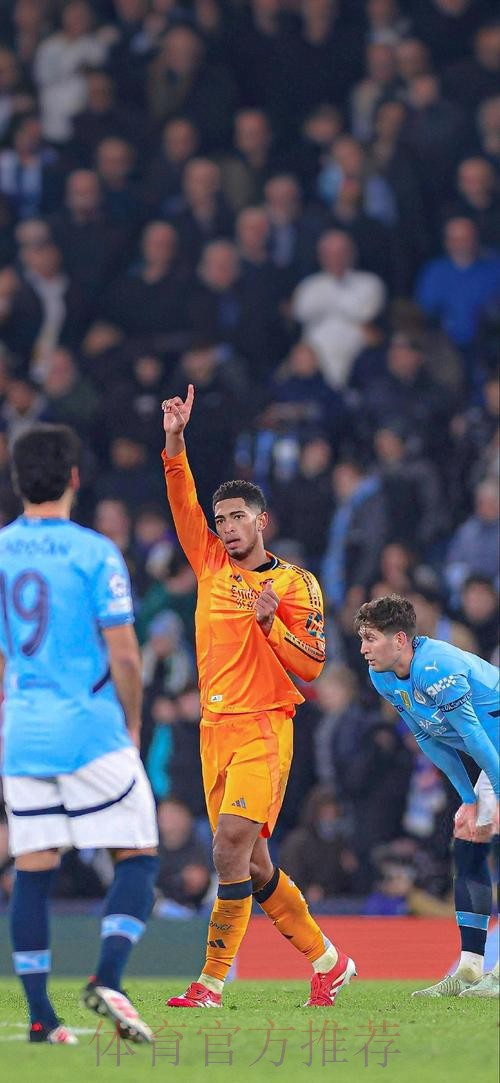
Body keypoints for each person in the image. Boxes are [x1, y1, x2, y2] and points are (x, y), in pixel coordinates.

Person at [161, 385, 355, 1009]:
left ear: (260, 520)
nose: (226, 528)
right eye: (220, 520)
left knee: (226, 848)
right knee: (255, 864)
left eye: (237, 518)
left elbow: (314, 665)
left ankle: (210, 983)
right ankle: (329, 962)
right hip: (213, 731)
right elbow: (181, 498)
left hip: (264, 728)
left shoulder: (297, 584)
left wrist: (272, 626)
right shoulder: (209, 563)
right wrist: (174, 441)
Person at [0, 424, 159, 1043]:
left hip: (23, 732)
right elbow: (125, 654)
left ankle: (42, 1017)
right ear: (74, 478)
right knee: (138, 852)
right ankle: (109, 977)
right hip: (89, 729)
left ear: (18, 480)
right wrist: (133, 720)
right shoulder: (95, 552)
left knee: (34, 867)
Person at [354, 594, 499, 998]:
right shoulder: (383, 676)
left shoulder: (438, 667)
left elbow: (473, 735)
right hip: (493, 753)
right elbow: (427, 737)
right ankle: (469, 969)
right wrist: (468, 799)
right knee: (469, 836)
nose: (363, 649)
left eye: (370, 638)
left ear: (399, 639)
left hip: (493, 749)